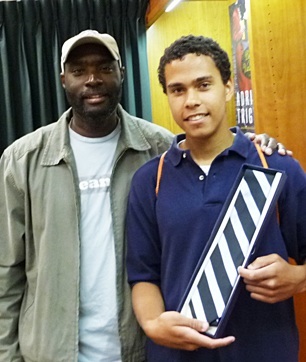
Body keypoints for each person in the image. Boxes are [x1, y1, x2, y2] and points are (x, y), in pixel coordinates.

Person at [0, 29, 289, 362]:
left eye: (105, 68)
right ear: (63, 79)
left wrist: (256, 144)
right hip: (50, 350)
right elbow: (7, 271)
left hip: (140, 347)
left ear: (121, 74)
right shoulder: (23, 160)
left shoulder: (161, 149)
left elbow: (215, 152)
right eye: (79, 71)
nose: (93, 79)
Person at [126, 35, 306, 362]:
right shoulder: (149, 181)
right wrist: (153, 325)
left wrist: (297, 279)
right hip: (176, 355)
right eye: (178, 90)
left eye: (203, 85)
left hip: (265, 352)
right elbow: (142, 275)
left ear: (227, 87)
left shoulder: (277, 167)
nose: (191, 100)